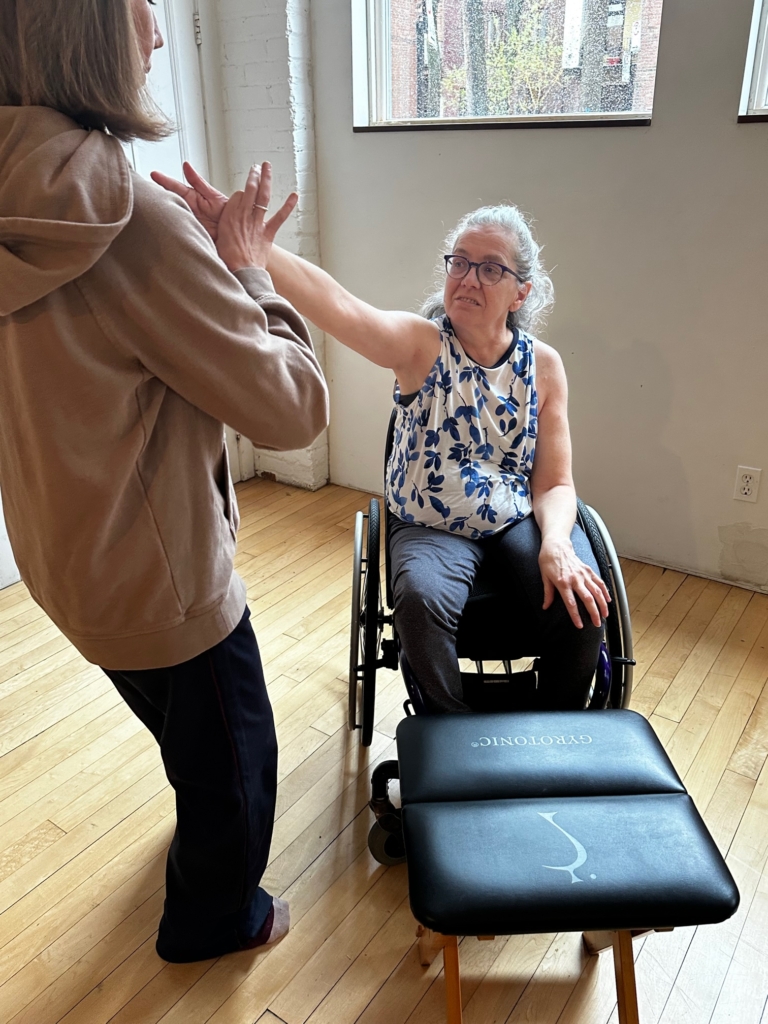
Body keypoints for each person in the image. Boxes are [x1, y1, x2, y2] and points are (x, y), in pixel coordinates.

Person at [0, 0, 328, 962]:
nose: (154, 36)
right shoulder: (133, 221)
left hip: (62, 555)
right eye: (141, 11)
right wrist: (247, 271)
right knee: (239, 765)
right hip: (162, 579)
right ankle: (213, 919)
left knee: (183, 729)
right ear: (85, 33)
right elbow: (293, 411)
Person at [158, 162, 610, 716]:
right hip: (429, 523)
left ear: (521, 292)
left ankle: (557, 735)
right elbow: (340, 306)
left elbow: (556, 482)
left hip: (516, 517)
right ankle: (454, 740)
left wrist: (557, 544)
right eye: (460, 263)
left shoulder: (543, 366)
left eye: (490, 269)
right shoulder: (421, 345)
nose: (467, 279)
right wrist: (250, 245)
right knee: (419, 604)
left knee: (581, 601)